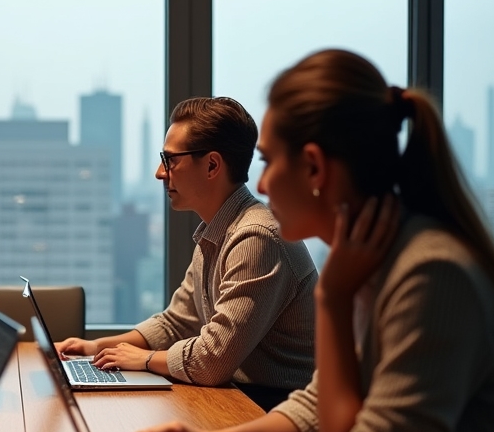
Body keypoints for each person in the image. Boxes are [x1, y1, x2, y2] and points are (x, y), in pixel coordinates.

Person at [126, 50, 494, 432]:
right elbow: (319, 406)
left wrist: (331, 303)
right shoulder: (380, 258)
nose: (258, 183)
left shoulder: (429, 275)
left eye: (266, 162)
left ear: (313, 168)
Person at [59, 96, 316, 411]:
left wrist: (145, 359)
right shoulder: (218, 232)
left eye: (170, 160)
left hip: (274, 407)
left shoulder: (255, 238)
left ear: (211, 165)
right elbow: (177, 322)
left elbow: (212, 359)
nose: (159, 173)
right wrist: (98, 347)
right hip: (241, 398)